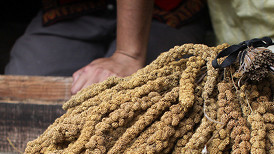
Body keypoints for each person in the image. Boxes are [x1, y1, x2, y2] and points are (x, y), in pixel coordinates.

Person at [5, 0, 208, 95]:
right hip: (71, 10)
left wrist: (128, 54)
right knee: (24, 85)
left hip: (164, 11)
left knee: (158, 87)